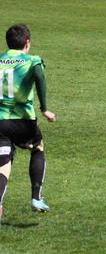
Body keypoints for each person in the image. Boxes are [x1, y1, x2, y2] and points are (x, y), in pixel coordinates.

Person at [0, 24, 56, 225]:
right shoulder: (32, 60)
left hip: (0, 121)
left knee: (3, 162)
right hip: (22, 120)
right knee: (37, 146)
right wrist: (44, 109)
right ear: (27, 43)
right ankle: (36, 197)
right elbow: (39, 76)